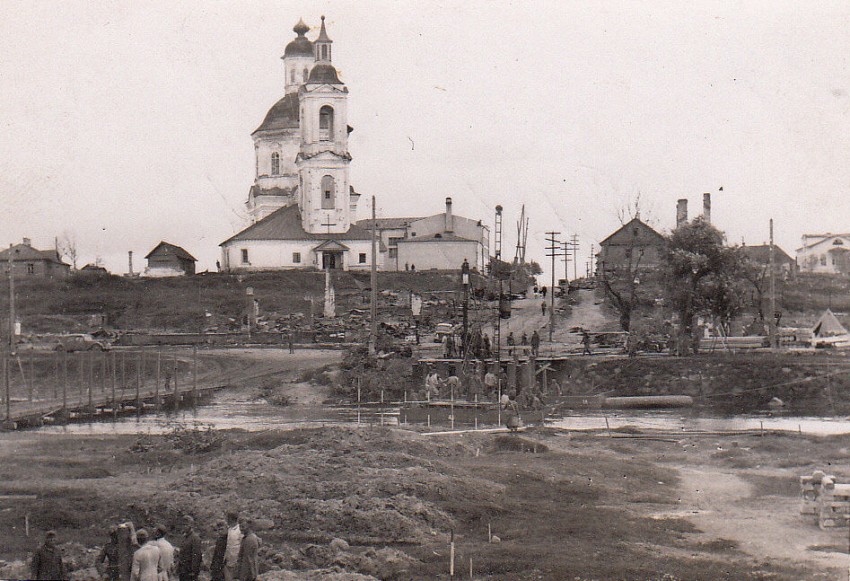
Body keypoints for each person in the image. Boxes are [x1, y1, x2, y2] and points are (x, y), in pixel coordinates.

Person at [176, 516, 203, 581]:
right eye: (183, 524)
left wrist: (194, 571)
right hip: (182, 570)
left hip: (189, 571)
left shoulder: (195, 538)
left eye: (186, 524)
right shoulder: (184, 537)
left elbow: (196, 556)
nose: (184, 526)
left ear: (191, 525)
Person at [223, 512, 242, 581]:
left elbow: (241, 544)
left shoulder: (239, 530)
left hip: (236, 559)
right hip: (228, 558)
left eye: (227, 519)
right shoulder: (229, 529)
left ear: (231, 519)